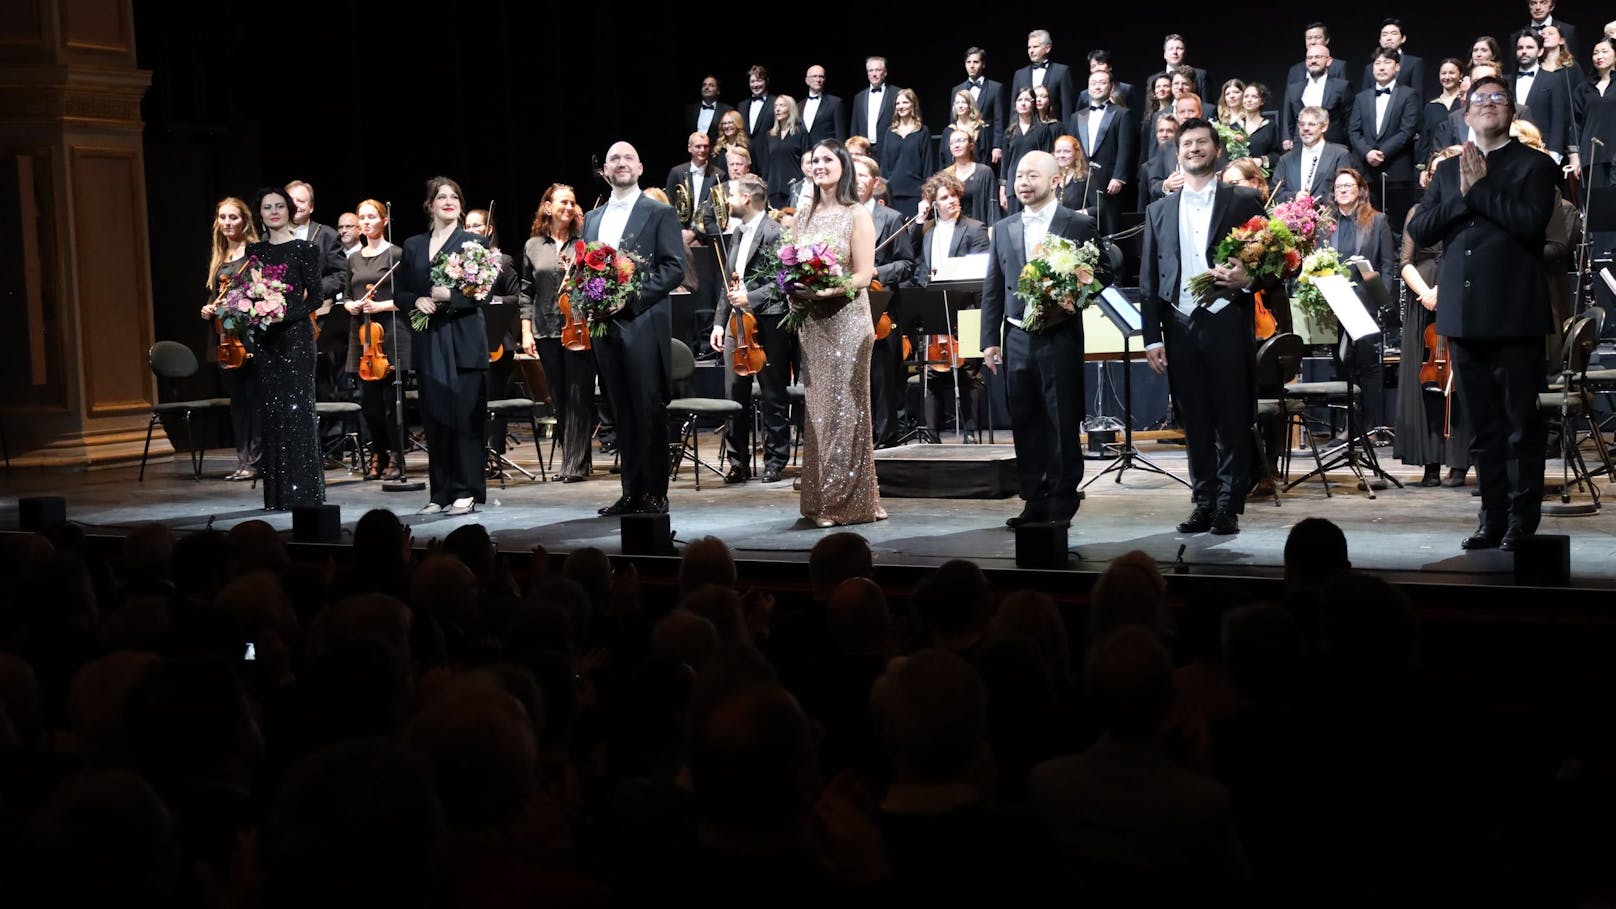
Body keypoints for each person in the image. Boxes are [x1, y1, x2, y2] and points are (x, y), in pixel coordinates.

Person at [1409, 75, 1559, 551]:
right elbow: (1424, 228)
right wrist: (1462, 191)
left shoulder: (1534, 165)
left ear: (1510, 112)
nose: (1489, 105)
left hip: (1514, 311)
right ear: (1467, 114)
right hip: (1463, 313)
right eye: (1480, 100)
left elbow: (1530, 224)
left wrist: (1478, 192)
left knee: (1520, 425)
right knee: (1483, 427)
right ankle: (1491, 516)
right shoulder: (1449, 169)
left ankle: (1520, 521)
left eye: (1498, 98)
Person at [1141, 119, 1273, 536]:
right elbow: (1149, 279)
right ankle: (1202, 501)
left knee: (1232, 418)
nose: (1194, 149)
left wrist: (1248, 280)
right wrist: (1151, 337)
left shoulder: (1244, 200)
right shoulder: (1158, 209)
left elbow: (1281, 262)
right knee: (1194, 419)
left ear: (1217, 151)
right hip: (1179, 325)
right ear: (1176, 153)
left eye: (1201, 142)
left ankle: (1228, 507)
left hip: (1227, 320)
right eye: (1186, 144)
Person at [980, 150, 1096, 528]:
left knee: (1061, 416)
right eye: (1018, 177)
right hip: (1015, 335)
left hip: (1058, 332)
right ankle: (1034, 496)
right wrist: (989, 340)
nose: (1023, 184)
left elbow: (1100, 272)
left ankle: (1063, 496)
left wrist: (1075, 298)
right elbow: (993, 287)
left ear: (1054, 180)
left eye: (1032, 176)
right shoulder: (1005, 226)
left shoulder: (1076, 223)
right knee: (1025, 418)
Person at [583, 142, 686, 517]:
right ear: (605, 170)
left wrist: (628, 299)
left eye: (628, 158)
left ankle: (654, 493)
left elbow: (673, 267)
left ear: (640, 168)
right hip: (604, 327)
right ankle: (630, 492)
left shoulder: (659, 212)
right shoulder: (592, 218)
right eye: (614, 159)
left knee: (647, 411)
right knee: (620, 411)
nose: (621, 163)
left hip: (641, 321)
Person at [792, 140, 885, 527]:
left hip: (847, 320)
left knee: (847, 412)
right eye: (815, 160)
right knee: (818, 412)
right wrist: (794, 290)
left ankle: (846, 502)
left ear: (843, 165)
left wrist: (829, 289)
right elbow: (793, 262)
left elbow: (865, 274)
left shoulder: (856, 213)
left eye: (828, 159)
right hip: (813, 322)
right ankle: (819, 499)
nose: (819, 166)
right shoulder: (803, 212)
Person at [396, 176, 489, 516]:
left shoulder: (473, 243)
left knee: (466, 419)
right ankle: (440, 493)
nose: (448, 201)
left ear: (461, 205)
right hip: (431, 340)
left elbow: (484, 293)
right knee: (436, 420)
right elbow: (401, 291)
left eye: (454, 197)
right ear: (430, 204)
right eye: (441, 197)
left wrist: (452, 296)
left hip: (464, 340)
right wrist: (416, 300)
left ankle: (466, 490)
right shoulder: (414, 245)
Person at [706, 173, 791, 485]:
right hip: (736, 324)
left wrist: (750, 297)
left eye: (731, 194)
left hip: (767, 322)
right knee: (735, 395)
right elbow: (729, 281)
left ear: (747, 198)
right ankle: (738, 462)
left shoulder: (773, 232)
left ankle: (775, 460)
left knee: (772, 393)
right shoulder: (737, 233)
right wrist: (719, 322)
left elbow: (785, 281)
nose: (727, 200)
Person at [244, 186, 325, 510]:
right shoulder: (256, 251)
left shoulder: (304, 249)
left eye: (280, 206)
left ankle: (303, 493)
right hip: (267, 342)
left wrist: (281, 315)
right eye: (268, 207)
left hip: (294, 339)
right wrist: (255, 312)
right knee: (274, 412)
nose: (274, 211)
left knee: (299, 413)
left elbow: (316, 297)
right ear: (260, 214)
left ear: (290, 210)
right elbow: (251, 292)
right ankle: (277, 495)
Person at [1394, 162, 1474, 489]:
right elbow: (1405, 261)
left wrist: (1447, 286)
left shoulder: (1470, 206)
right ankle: (1429, 462)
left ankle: (1459, 462)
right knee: (1425, 381)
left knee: (1458, 383)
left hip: (1460, 297)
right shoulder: (1417, 211)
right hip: (1422, 298)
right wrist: (1426, 291)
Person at [518, 184, 593, 484]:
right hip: (546, 329)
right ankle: (573, 458)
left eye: (573, 202)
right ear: (548, 207)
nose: (569, 207)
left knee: (579, 395)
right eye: (563, 201)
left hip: (578, 328)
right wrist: (526, 332)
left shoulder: (584, 244)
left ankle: (575, 464)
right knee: (560, 397)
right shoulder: (532, 246)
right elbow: (526, 292)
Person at [914, 173, 991, 442]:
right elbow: (918, 268)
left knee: (968, 372)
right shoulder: (927, 231)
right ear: (933, 203)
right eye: (944, 198)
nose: (951, 201)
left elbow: (982, 268)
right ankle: (931, 435)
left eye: (954, 195)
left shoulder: (975, 228)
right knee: (932, 373)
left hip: (966, 305)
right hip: (936, 306)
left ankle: (970, 431)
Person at [1324, 168, 1397, 434]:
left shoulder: (1377, 220)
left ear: (1360, 190)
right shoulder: (1325, 221)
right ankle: (1348, 428)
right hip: (1333, 303)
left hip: (1365, 303)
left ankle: (1370, 426)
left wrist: (1382, 301)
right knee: (1342, 364)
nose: (1343, 190)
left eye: (1349, 186)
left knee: (1367, 364)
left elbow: (1387, 266)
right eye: (1339, 186)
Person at [343, 198, 407, 481]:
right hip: (362, 335)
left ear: (385, 221)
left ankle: (396, 454)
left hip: (390, 335)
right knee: (368, 403)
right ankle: (378, 452)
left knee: (390, 402)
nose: (366, 222)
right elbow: (346, 295)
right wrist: (351, 306)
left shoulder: (396, 254)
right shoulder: (353, 258)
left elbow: (407, 298)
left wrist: (380, 306)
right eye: (362, 218)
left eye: (372, 217)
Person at [197, 196, 260, 481]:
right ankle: (242, 459)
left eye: (233, 217)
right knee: (237, 403)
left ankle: (256, 460)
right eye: (223, 218)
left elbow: (260, 295)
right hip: (224, 337)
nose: (227, 223)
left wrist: (231, 305)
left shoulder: (255, 254)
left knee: (253, 399)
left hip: (247, 336)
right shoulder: (220, 257)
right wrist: (209, 307)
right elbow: (216, 295)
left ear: (244, 220)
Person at [463, 208, 521, 465]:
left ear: (488, 230)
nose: (473, 230)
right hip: (468, 341)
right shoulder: (458, 263)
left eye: (478, 226)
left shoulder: (503, 261)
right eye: (469, 226)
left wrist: (494, 300)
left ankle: (495, 454)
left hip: (498, 340)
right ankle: (475, 455)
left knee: (495, 401)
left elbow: (517, 298)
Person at [1350, 48, 1422, 234]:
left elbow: (1407, 130)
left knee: (1398, 225)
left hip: (1396, 169)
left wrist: (1382, 152)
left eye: (1387, 62)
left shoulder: (1408, 94)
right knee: (1368, 224)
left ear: (1397, 67)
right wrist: (1367, 153)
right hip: (1368, 171)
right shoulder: (1361, 97)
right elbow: (1354, 131)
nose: (1381, 67)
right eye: (1377, 63)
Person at [1067, 68, 1136, 237]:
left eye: (1102, 83)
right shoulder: (1077, 116)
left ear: (1111, 87)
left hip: (1108, 179)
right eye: (1093, 83)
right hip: (1081, 179)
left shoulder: (1122, 114)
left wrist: (1119, 177)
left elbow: (1126, 147)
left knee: (1108, 224)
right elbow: (1071, 148)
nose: (1097, 87)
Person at [1272, 105, 1352, 201]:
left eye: (1311, 124)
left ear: (1324, 127)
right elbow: (1274, 194)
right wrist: (1294, 196)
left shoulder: (1340, 155)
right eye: (1302, 124)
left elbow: (1346, 192)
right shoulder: (1286, 160)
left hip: (1329, 214)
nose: (1305, 128)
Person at [1000, 85, 1053, 215]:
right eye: (1020, 100)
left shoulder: (1042, 129)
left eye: (1027, 100)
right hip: (1014, 184)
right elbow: (1005, 164)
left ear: (1033, 103)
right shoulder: (1009, 132)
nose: (1023, 103)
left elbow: (1047, 159)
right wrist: (1003, 189)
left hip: (1035, 184)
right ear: (1015, 104)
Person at [1572, 39, 1616, 190]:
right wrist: (1574, 156)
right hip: (1591, 155)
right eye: (1595, 53)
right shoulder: (1583, 89)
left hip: (1614, 152)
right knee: (1596, 204)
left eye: (1605, 51)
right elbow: (1576, 124)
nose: (1599, 56)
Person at [952, 47, 1008, 165]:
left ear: (983, 64)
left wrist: (997, 146)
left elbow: (999, 120)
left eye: (976, 62)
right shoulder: (957, 89)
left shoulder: (995, 88)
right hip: (963, 143)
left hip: (985, 145)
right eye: (968, 62)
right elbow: (953, 119)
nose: (972, 66)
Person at [878, 88, 928, 219]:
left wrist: (927, 195)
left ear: (913, 105)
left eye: (905, 102)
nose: (901, 106)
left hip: (915, 193)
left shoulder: (922, 131)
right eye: (898, 103)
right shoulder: (890, 132)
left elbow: (927, 165)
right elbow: (885, 164)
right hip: (893, 192)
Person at [1013, 29, 1078, 123]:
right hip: (1026, 131)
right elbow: (1014, 108)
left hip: (1053, 129)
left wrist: (1066, 135)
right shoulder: (1020, 74)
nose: (1031, 51)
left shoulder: (1061, 72)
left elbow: (1067, 107)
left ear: (1047, 48)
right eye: (1029, 47)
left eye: (1035, 47)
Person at [940, 127, 998, 225]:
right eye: (952, 142)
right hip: (954, 229)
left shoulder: (984, 172)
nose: (956, 145)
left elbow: (992, 205)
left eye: (960, 141)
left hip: (978, 229)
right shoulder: (946, 175)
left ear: (971, 146)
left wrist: (991, 230)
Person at [763, 96, 807, 211]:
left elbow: (806, 159)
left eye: (782, 105)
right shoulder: (770, 135)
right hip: (773, 190)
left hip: (794, 188)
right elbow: (766, 165)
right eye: (776, 106)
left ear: (791, 109)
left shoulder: (800, 132)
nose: (777, 109)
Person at [1419, 59, 1467, 165]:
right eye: (1443, 73)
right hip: (1436, 164)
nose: (1447, 77)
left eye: (1452, 73)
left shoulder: (1465, 103)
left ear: (1461, 75)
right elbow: (1425, 141)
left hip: (1464, 161)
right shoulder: (1431, 107)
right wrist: (1423, 167)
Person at [850, 56, 898, 158]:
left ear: (885, 72)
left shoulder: (896, 93)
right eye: (870, 70)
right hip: (864, 149)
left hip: (889, 148)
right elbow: (855, 126)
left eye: (877, 70)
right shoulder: (859, 97)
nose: (874, 74)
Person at [1235, 82, 1279, 171]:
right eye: (1246, 96)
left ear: (1262, 101)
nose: (1249, 100)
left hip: (1261, 176)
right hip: (1238, 176)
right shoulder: (1235, 126)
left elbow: (1277, 155)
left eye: (1254, 97)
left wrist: (1261, 161)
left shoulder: (1269, 126)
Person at [799, 63, 846, 145]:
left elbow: (840, 134)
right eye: (814, 76)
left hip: (826, 152)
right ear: (807, 80)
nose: (818, 79)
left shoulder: (835, 103)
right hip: (804, 154)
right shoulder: (798, 105)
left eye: (821, 76)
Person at [686, 74, 733, 142]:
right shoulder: (690, 110)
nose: (706, 87)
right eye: (704, 85)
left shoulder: (727, 110)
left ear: (718, 91)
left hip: (717, 150)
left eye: (711, 85)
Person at [1052, 134, 1091, 212]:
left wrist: (1074, 216)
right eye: (1058, 152)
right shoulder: (1049, 178)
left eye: (1067, 151)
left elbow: (1099, 208)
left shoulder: (1085, 178)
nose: (1062, 155)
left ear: (1076, 154)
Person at [712, 109, 749, 177]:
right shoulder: (718, 149)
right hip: (722, 186)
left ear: (738, 124)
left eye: (730, 123)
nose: (726, 126)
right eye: (724, 123)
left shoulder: (746, 146)